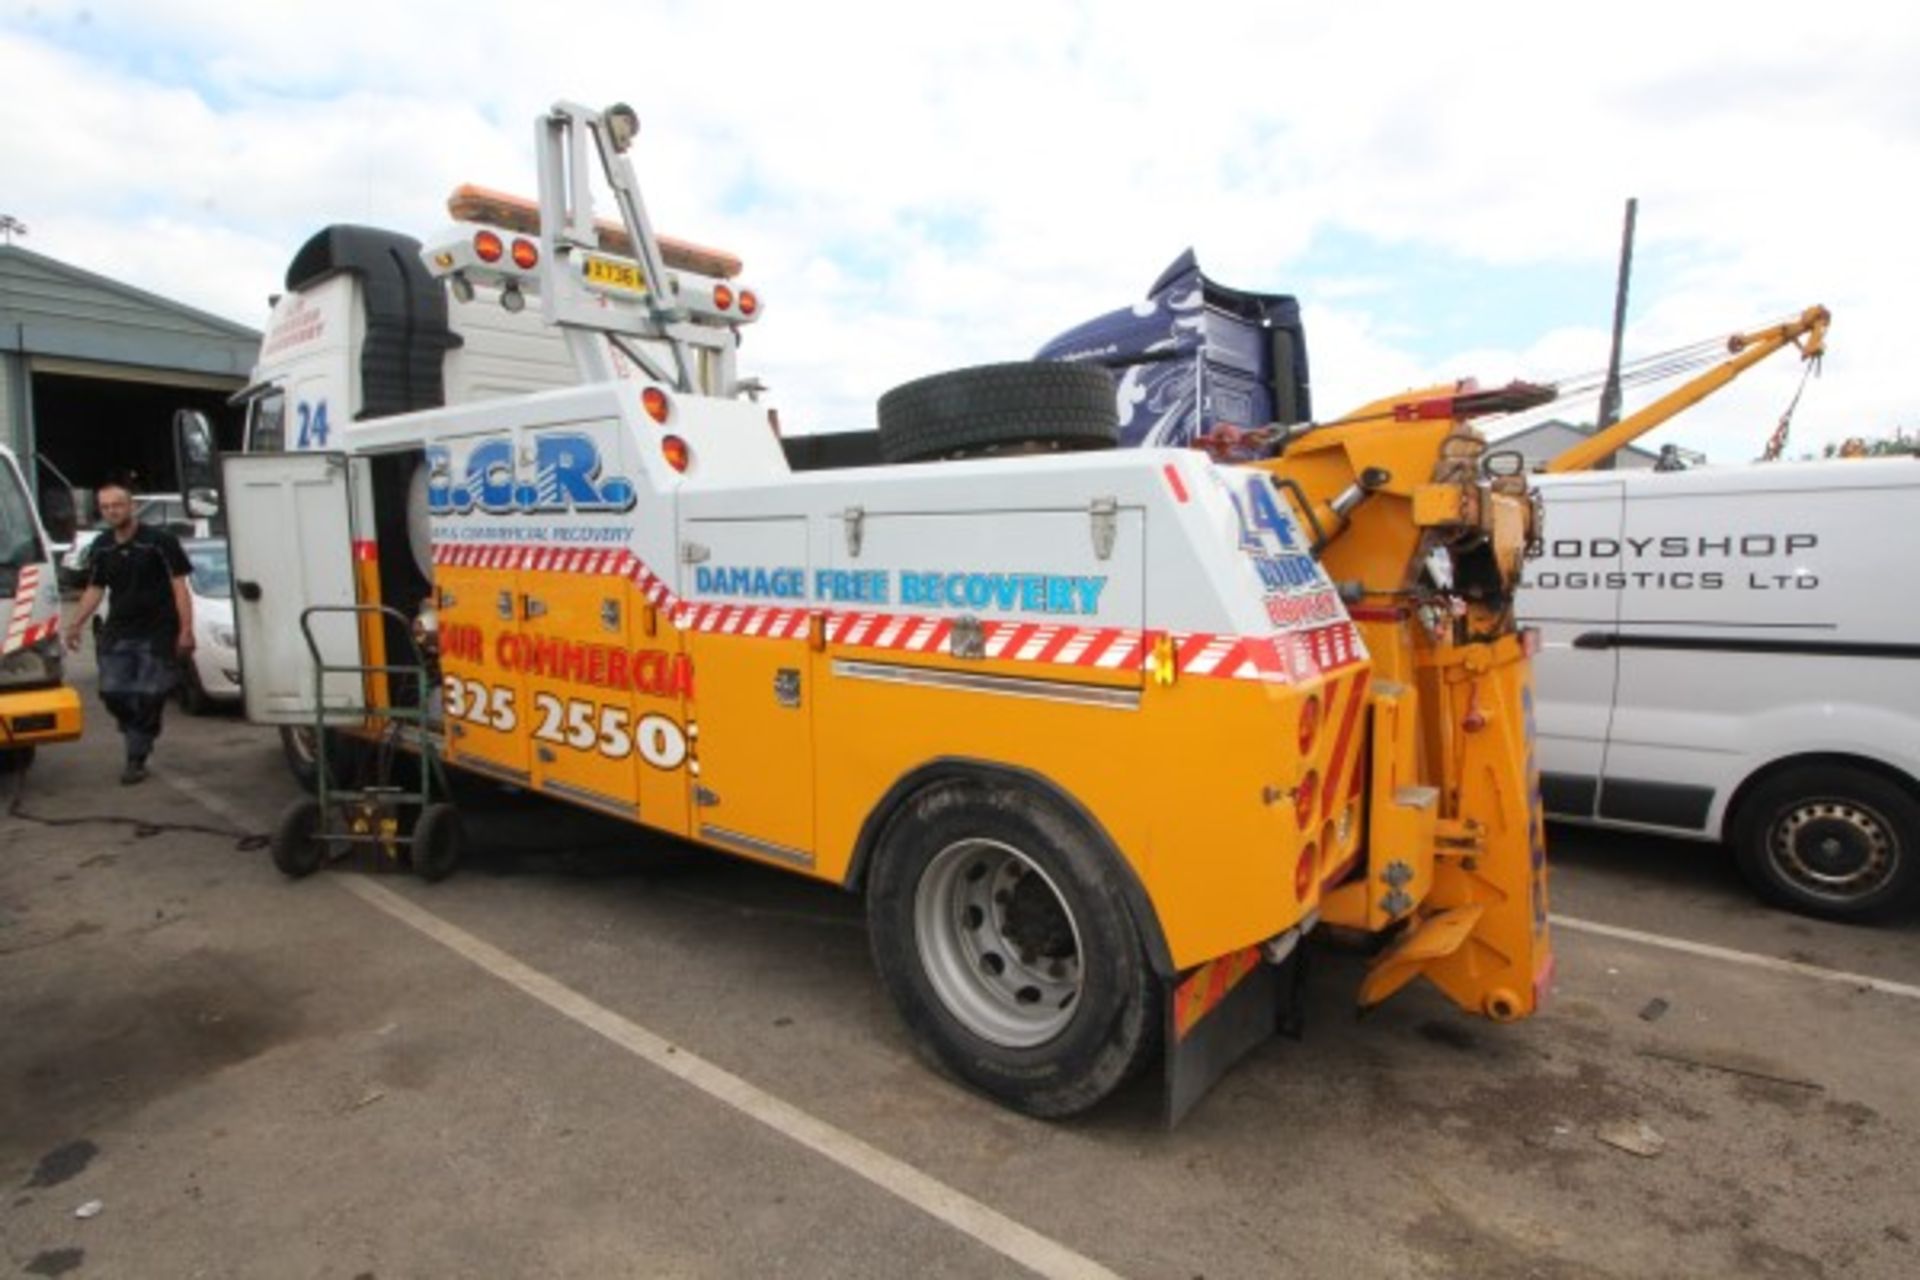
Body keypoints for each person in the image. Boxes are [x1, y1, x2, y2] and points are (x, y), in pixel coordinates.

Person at [62, 482, 195, 784]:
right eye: (105, 507)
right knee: (112, 692)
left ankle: (136, 757)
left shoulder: (160, 543)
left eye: (117, 505)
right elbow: (95, 588)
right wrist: (75, 623)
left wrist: (186, 630)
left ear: (131, 506)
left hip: (158, 630)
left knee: (150, 693)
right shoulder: (101, 546)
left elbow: (180, 588)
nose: (112, 511)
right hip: (119, 629)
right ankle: (139, 727)